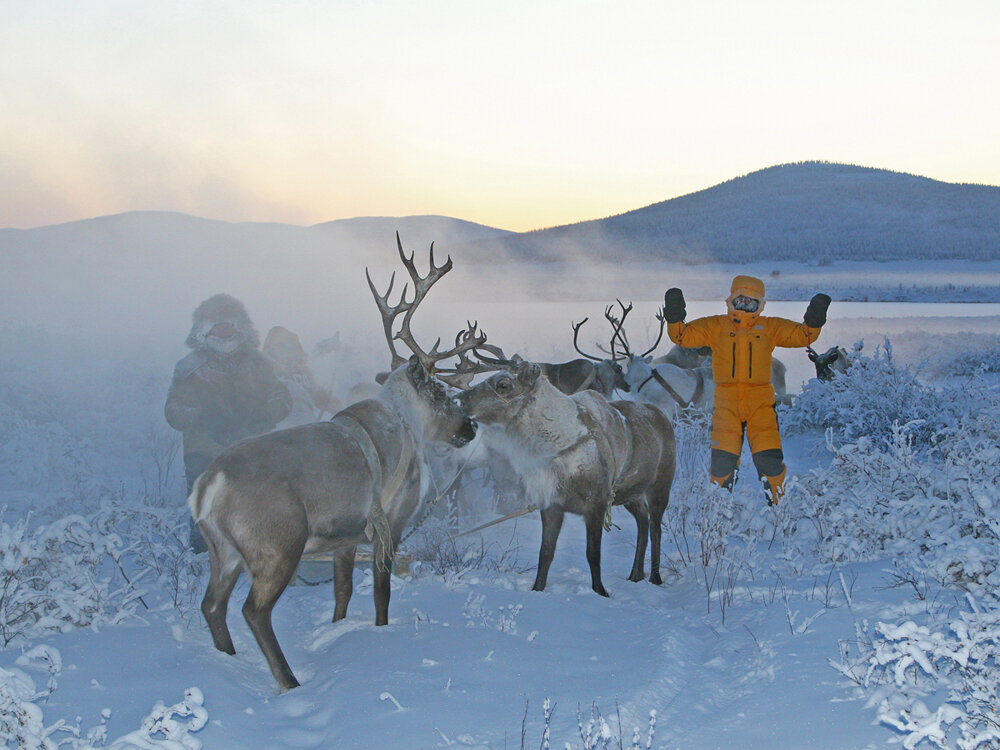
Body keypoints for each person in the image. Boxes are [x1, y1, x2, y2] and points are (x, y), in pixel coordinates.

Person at [663, 276, 831, 504]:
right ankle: (718, 511)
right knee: (723, 461)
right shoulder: (716, 326)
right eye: (741, 299)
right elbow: (682, 335)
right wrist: (674, 314)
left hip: (760, 402)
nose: (745, 305)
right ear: (731, 300)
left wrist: (815, 315)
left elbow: (804, 335)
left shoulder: (769, 327)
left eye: (752, 301)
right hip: (726, 402)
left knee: (769, 458)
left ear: (760, 305)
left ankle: (778, 508)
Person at [165, 294, 292, 550]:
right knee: (206, 511)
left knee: (259, 507)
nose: (224, 333)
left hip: (254, 449)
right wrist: (203, 418)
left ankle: (258, 553)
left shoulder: (260, 364)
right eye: (217, 327)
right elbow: (173, 410)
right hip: (205, 452)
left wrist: (265, 415)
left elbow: (282, 398)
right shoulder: (188, 369)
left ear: (240, 328)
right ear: (203, 330)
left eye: (229, 326)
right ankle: (202, 560)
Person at [262, 325, 340, 428]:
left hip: (307, 429)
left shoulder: (304, 374)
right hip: (278, 431)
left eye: (290, 347)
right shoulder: (265, 375)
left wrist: (342, 411)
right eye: (279, 348)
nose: (285, 353)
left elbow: (321, 398)